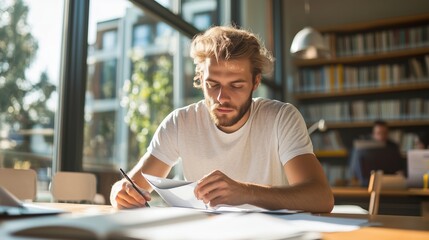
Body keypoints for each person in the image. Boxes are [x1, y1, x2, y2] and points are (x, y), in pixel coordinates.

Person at [110, 26, 334, 213]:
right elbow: (130, 187)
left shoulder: (281, 118)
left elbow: (320, 197)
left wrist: (244, 192)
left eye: (236, 85)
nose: (221, 97)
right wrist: (119, 193)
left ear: (256, 82)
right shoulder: (180, 122)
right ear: (200, 79)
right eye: (212, 84)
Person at [349, 120, 403, 186]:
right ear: (373, 134)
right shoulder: (363, 147)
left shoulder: (393, 147)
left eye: (384, 133)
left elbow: (399, 168)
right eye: (379, 133)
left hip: (389, 183)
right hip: (366, 183)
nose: (381, 136)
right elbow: (354, 168)